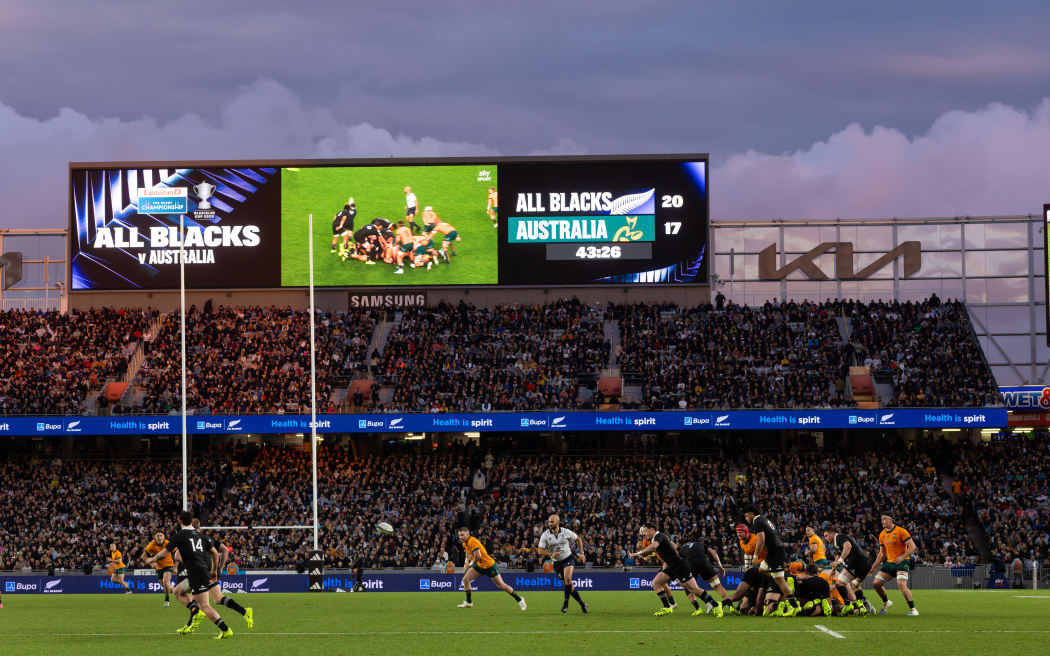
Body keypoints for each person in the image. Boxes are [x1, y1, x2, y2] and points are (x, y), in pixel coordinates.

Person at [146, 511, 234, 640]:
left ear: (179, 521)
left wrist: (152, 559)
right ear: (192, 522)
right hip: (201, 572)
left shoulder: (179, 536)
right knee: (176, 591)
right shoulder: (201, 536)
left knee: (205, 606)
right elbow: (216, 554)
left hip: (196, 573)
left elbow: (164, 553)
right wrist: (215, 570)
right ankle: (194, 608)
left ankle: (225, 629)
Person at [629, 522, 718, 617]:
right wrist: (643, 554)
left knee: (694, 589)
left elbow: (654, 546)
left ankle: (715, 604)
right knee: (656, 583)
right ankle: (667, 607)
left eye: (646, 531)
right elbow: (650, 552)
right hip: (671, 566)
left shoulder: (659, 535)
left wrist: (637, 553)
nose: (644, 534)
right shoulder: (653, 539)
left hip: (680, 566)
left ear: (652, 530)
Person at [192, 519, 254, 628]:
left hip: (204, 573)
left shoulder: (196, 541)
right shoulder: (209, 539)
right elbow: (225, 550)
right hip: (210, 572)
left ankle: (191, 625)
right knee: (217, 599)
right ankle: (244, 611)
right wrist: (219, 568)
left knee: (194, 600)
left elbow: (223, 551)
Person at [741, 504, 800, 616]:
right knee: (762, 570)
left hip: (775, 552)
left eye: (746, 515)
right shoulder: (763, 519)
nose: (746, 518)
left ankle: (795, 606)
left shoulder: (756, 521)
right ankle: (779, 576)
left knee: (780, 581)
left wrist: (755, 556)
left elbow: (761, 540)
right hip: (774, 551)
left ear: (752, 514)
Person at [456, 527, 526, 611]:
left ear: (468, 534)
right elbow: (468, 552)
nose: (460, 537)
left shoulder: (472, 541)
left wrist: (470, 564)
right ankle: (469, 602)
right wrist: (466, 561)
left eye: (462, 535)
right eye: (459, 535)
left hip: (489, 565)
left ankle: (520, 600)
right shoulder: (464, 543)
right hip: (479, 565)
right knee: (465, 579)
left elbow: (478, 556)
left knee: (501, 585)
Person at [869, 513, 919, 616]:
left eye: (884, 519)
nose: (882, 521)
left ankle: (913, 610)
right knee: (876, 583)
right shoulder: (882, 534)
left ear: (891, 519)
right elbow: (882, 554)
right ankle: (886, 602)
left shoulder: (901, 531)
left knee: (901, 583)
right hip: (890, 563)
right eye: (881, 519)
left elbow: (912, 546)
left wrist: (902, 557)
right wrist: (873, 568)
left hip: (903, 561)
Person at [537, 514, 588, 613]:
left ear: (558, 522)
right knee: (569, 586)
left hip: (568, 558)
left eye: (552, 521)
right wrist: (551, 553)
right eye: (549, 522)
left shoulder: (566, 532)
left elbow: (578, 540)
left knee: (568, 578)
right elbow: (540, 550)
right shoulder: (545, 535)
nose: (549, 524)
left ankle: (565, 605)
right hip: (557, 563)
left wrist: (581, 553)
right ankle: (582, 604)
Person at [823, 528, 873, 615]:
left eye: (826, 536)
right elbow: (838, 555)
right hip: (866, 564)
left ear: (832, 534)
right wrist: (833, 570)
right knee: (855, 585)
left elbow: (848, 546)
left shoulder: (839, 537)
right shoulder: (836, 543)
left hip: (856, 563)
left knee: (839, 583)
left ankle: (847, 604)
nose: (825, 538)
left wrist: (839, 561)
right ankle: (862, 607)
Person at [676, 536, 729, 617]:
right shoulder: (700, 543)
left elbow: (679, 563)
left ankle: (705, 604)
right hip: (704, 562)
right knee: (717, 586)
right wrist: (720, 566)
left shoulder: (682, 549)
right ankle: (730, 606)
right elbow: (713, 553)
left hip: (690, 564)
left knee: (691, 588)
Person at [142, 531, 175, 606]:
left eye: (161, 535)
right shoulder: (151, 545)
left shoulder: (168, 543)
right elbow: (143, 556)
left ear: (164, 536)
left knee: (166, 582)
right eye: (157, 536)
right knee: (165, 586)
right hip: (158, 567)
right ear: (154, 537)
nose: (159, 537)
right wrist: (151, 563)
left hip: (168, 565)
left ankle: (167, 600)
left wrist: (175, 566)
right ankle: (175, 590)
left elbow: (176, 552)